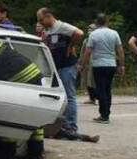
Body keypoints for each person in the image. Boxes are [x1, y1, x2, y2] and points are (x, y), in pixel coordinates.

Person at [37, 8, 83, 139]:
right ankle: (61, 125)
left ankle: (71, 126)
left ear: (49, 16)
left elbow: (79, 33)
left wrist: (70, 46)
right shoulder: (50, 30)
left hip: (67, 66)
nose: (41, 23)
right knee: (60, 96)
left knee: (69, 96)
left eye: (41, 20)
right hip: (57, 67)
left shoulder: (62, 26)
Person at [79, 13, 125, 123]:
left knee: (100, 89)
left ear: (96, 23)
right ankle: (107, 112)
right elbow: (120, 50)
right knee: (108, 89)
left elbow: (88, 52)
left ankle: (103, 115)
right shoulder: (114, 33)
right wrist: (121, 65)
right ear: (107, 22)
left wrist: (83, 64)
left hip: (98, 65)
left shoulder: (93, 35)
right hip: (111, 65)